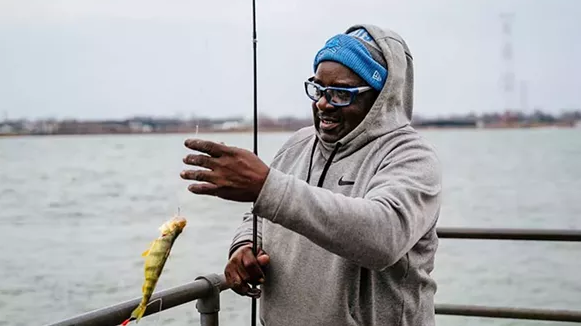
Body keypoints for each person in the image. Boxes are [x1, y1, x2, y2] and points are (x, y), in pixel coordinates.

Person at [181, 24, 442, 326]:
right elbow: (263, 214)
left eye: (340, 93)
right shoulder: (297, 144)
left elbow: (384, 237)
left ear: (380, 98)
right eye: (318, 89)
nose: (323, 104)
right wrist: (244, 245)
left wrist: (266, 186)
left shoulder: (411, 156)